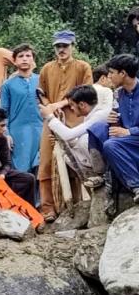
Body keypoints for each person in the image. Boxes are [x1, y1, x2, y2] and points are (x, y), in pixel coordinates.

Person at [37, 30, 95, 219]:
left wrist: (61, 104)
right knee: (46, 162)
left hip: (75, 119)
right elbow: (41, 93)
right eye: (58, 46)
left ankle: (78, 205)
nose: (61, 49)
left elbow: (87, 93)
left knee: (75, 161)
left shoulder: (82, 67)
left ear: (72, 46)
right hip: (51, 119)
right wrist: (49, 107)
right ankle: (48, 208)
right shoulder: (46, 68)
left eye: (65, 46)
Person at [89, 54, 139, 204]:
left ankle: (136, 185)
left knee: (111, 144)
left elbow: (128, 129)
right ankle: (103, 174)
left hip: (134, 137)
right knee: (97, 128)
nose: (109, 76)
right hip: (127, 139)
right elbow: (120, 121)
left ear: (123, 74)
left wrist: (129, 131)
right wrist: (114, 121)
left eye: (111, 72)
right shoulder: (119, 93)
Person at [41, 85, 111, 186]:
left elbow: (69, 135)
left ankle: (102, 176)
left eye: (72, 105)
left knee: (84, 140)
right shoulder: (91, 114)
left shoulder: (100, 115)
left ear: (82, 104)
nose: (72, 108)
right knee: (68, 153)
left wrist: (50, 117)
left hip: (111, 158)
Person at [0, 45, 43, 188]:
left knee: (41, 167)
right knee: (21, 168)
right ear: (15, 61)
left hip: (40, 128)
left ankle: (41, 204)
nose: (25, 59)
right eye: (21, 56)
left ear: (33, 60)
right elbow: (4, 111)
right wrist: (6, 134)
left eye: (28, 56)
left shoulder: (42, 80)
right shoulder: (8, 85)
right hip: (18, 131)